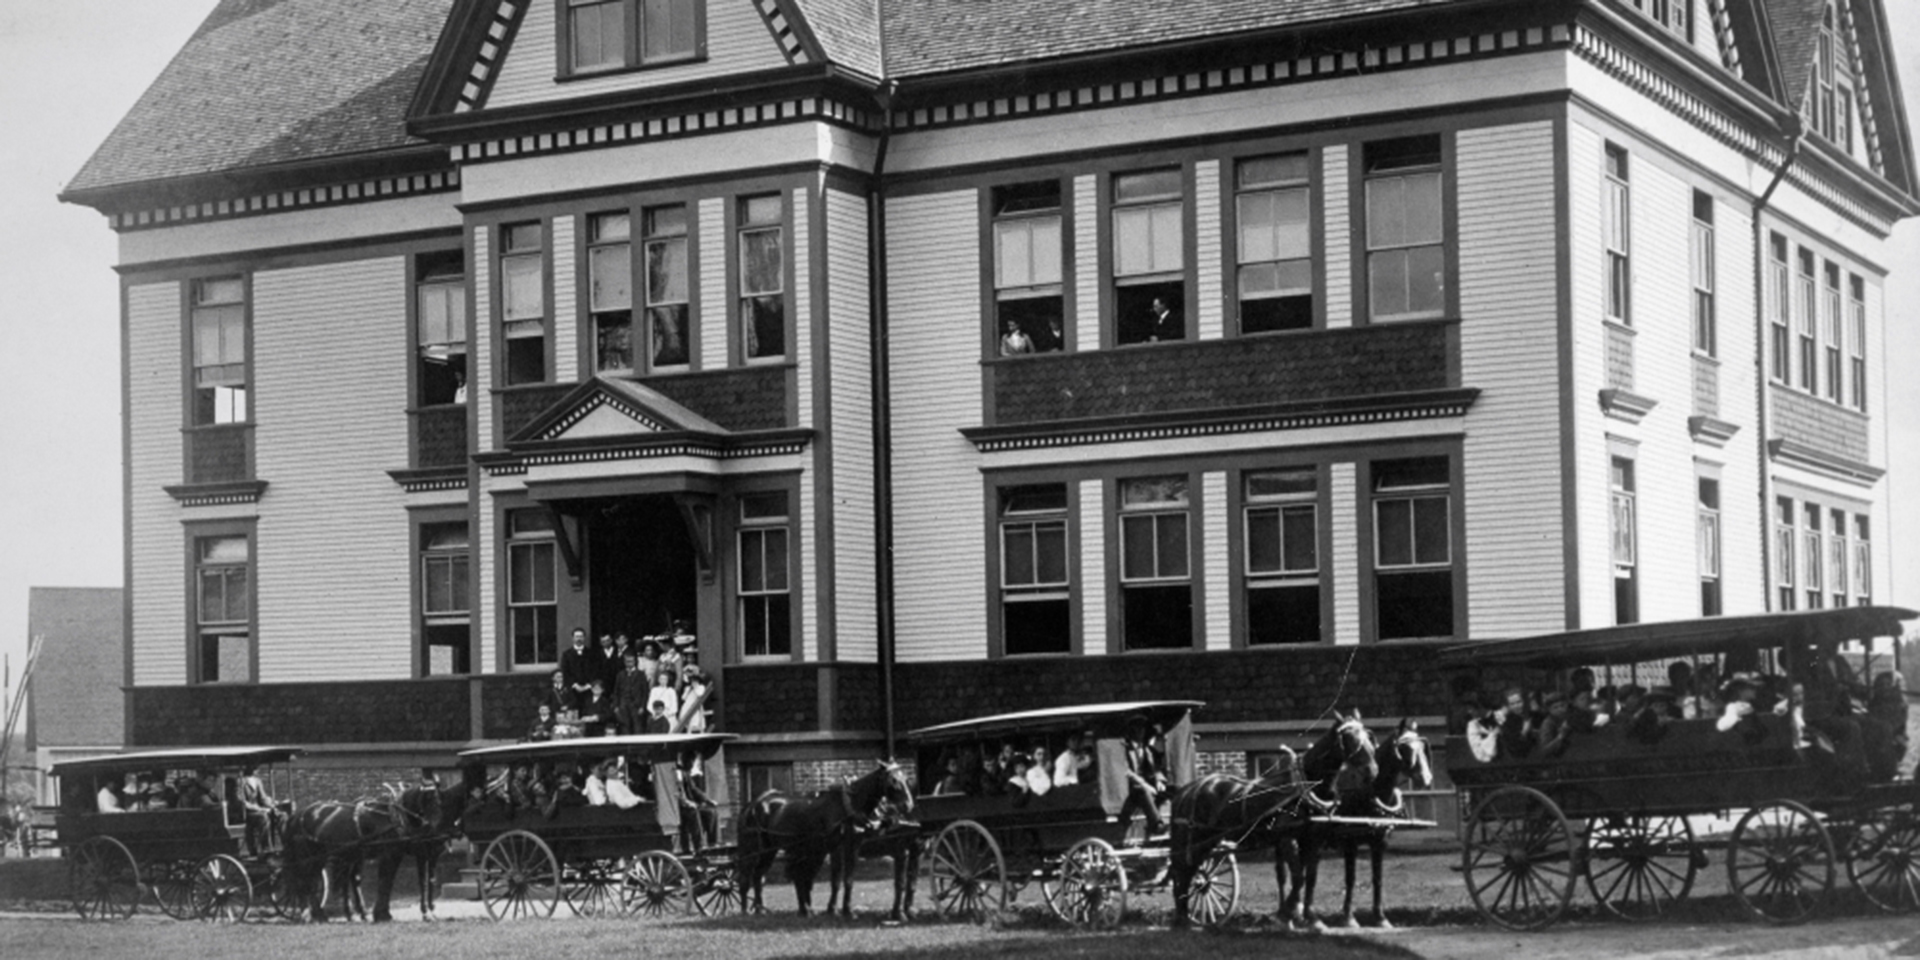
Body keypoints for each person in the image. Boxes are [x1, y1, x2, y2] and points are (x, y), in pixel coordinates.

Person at [1119, 717, 1165, 834]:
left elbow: (1155, 769)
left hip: (1147, 786)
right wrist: (1145, 785)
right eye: (1138, 729)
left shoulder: (1147, 750)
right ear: (1132, 731)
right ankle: (1157, 823)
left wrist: (1159, 781)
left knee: (1168, 792)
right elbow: (1127, 771)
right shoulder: (1124, 749)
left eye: (1143, 729)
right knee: (1142, 791)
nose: (1141, 732)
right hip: (1130, 788)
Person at [239, 764, 281, 855]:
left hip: (258, 810)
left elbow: (263, 798)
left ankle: (280, 845)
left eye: (256, 768)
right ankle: (266, 849)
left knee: (280, 815)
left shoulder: (257, 781)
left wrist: (272, 806)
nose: (256, 770)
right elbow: (242, 802)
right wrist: (260, 809)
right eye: (253, 768)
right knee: (263, 817)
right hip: (247, 813)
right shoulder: (240, 781)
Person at [559, 629, 599, 703]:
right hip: (573, 690)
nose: (579, 639)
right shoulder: (567, 654)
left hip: (589, 689)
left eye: (581, 636)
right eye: (577, 637)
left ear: (584, 638)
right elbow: (565, 671)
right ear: (573, 638)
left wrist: (588, 685)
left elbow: (595, 670)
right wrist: (574, 685)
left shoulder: (592, 653)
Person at [615, 653, 650, 734]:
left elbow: (645, 692)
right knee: (624, 727)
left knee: (637, 727)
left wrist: (642, 706)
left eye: (631, 661)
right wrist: (616, 706)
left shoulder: (641, 674)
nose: (629, 663)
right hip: (623, 705)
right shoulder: (620, 674)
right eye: (627, 661)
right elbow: (616, 691)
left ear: (635, 662)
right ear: (624, 662)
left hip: (636, 705)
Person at [678, 666, 714, 734]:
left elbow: (700, 694)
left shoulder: (701, 687)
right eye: (692, 681)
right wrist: (688, 690)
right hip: (686, 706)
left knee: (694, 722)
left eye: (695, 681)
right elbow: (683, 698)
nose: (693, 682)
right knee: (685, 722)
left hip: (695, 707)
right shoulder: (687, 688)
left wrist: (695, 687)